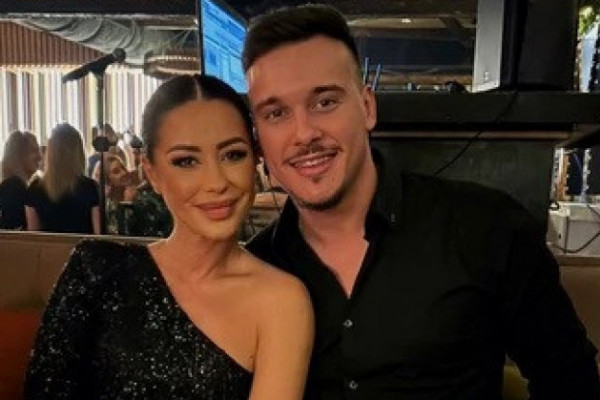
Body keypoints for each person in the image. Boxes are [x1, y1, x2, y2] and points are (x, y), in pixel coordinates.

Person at [242, 5, 600, 400]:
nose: (304, 133)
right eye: (276, 113)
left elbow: (571, 381)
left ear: (367, 108)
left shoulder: (486, 228)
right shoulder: (254, 268)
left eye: (324, 102)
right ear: (259, 139)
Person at [24, 74, 314, 400]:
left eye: (233, 155)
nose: (217, 182)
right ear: (152, 173)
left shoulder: (282, 301)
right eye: (186, 161)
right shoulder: (96, 270)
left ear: (256, 160)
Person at [25, 123, 100, 234]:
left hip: (49, 245)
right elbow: (98, 234)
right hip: (81, 244)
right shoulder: (90, 187)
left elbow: (34, 237)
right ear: (79, 152)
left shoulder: (35, 189)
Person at [0, 130, 41, 229]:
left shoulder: (13, 185)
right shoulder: (14, 187)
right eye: (34, 151)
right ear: (19, 156)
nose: (40, 157)